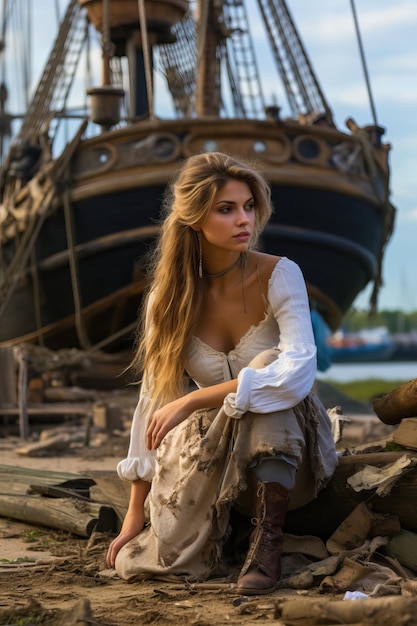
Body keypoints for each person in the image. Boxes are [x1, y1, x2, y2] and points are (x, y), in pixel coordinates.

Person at [106, 151, 338, 594]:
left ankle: (265, 545)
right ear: (194, 218)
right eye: (226, 209)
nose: (243, 220)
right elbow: (152, 402)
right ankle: (224, 528)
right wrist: (135, 511)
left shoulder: (279, 274)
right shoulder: (168, 298)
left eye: (249, 206)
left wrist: (194, 397)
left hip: (293, 452)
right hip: (211, 458)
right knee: (150, 560)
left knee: (268, 365)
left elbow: (297, 369)